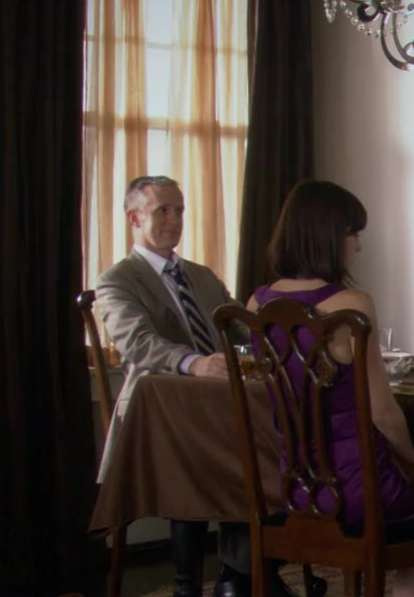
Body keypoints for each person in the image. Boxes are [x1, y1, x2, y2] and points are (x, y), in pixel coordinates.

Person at [248, 179, 414, 597]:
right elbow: (382, 412)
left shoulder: (258, 304)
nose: (359, 246)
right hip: (359, 487)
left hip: (300, 487)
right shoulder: (350, 305)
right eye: (354, 234)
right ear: (328, 236)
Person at [95, 176, 288, 597]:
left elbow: (242, 331)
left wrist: (280, 343)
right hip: (160, 417)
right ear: (134, 218)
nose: (174, 219)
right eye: (162, 210)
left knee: (271, 443)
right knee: (216, 455)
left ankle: (243, 574)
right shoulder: (117, 281)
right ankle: (205, 583)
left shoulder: (201, 277)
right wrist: (194, 362)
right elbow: (138, 343)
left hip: (219, 410)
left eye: (179, 210)